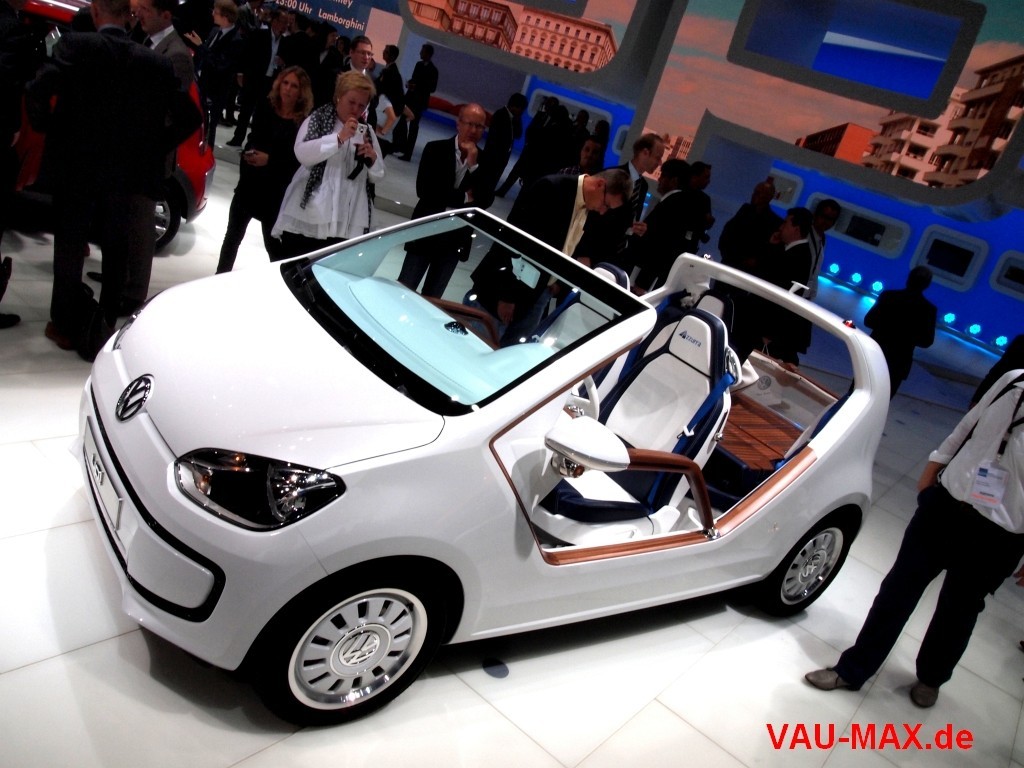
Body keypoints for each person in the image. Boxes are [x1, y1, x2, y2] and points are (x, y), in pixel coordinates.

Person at [805, 368, 1024, 709]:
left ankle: (932, 677)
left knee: (959, 611)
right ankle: (854, 668)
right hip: (948, 506)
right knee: (897, 590)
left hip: (999, 534)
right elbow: (968, 425)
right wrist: (933, 468)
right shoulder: (1013, 380)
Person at [27, 0, 199, 359]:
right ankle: (104, 324)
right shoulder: (154, 63)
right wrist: (152, 148)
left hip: (76, 168)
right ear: (128, 16)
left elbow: (38, 89)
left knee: (70, 246)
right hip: (126, 175)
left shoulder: (77, 45)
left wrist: (50, 127)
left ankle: (63, 323)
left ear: (95, 13)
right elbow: (189, 117)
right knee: (116, 248)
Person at [466, 168, 630, 345]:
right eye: (606, 204)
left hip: (539, 294)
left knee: (510, 355)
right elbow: (515, 241)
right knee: (474, 346)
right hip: (503, 291)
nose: (603, 211)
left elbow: (567, 246)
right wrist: (507, 296)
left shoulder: (588, 207)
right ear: (599, 184)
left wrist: (556, 282)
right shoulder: (551, 188)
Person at [271, 70, 383, 257]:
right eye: (351, 102)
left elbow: (378, 175)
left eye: (361, 105)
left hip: (348, 218)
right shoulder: (318, 120)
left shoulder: (367, 132)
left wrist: (372, 160)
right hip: (312, 212)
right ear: (339, 97)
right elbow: (302, 153)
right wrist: (338, 138)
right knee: (297, 262)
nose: (356, 109)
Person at [217, 66, 312, 272]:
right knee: (232, 238)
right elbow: (254, 137)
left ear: (301, 92)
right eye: (285, 83)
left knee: (274, 250)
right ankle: (219, 278)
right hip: (249, 185)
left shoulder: (303, 123)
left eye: (294, 86)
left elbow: (297, 161)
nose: (287, 89)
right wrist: (249, 153)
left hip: (275, 193)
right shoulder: (266, 108)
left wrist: (270, 160)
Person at [397, 103, 493, 298]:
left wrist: (473, 167)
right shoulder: (435, 149)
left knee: (433, 298)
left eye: (479, 126)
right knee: (404, 288)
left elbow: (485, 200)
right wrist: (465, 197)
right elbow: (425, 191)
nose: (474, 130)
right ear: (459, 123)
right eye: (470, 124)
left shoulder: (486, 162)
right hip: (425, 230)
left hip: (455, 238)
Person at [864, 265, 937, 398]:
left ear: (908, 279)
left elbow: (869, 321)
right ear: (927, 285)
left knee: (858, 390)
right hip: (898, 363)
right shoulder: (929, 310)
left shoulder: (888, 296)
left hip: (875, 352)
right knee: (882, 400)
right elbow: (927, 341)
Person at [630, 159, 693, 293]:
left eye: (663, 175)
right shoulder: (677, 203)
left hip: (645, 275)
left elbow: (661, 247)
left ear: (674, 180)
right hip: (648, 274)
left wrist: (642, 282)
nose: (659, 179)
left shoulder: (672, 205)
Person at [228, 7, 287, 147]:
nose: (284, 25)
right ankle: (238, 137)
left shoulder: (285, 42)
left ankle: (252, 141)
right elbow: (246, 54)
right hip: (255, 78)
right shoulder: (259, 34)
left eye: (286, 23)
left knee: (262, 113)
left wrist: (283, 63)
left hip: (271, 81)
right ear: (274, 21)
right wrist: (241, 73)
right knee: (246, 109)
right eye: (282, 21)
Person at [191, 0, 242, 146]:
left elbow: (220, 64)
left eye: (216, 12)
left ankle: (207, 152)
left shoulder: (236, 40)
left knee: (209, 126)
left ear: (225, 17)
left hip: (217, 90)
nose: (213, 14)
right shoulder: (215, 30)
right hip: (203, 83)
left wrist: (201, 46)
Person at [717, 178, 782, 273]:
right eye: (754, 192)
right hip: (730, 262)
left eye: (758, 193)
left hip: (750, 271)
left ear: (768, 197)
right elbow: (729, 230)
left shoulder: (774, 222)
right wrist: (726, 252)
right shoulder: (745, 210)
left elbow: (768, 249)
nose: (754, 195)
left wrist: (754, 261)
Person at [135, 0, 194, 92]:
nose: (138, 14)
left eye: (145, 9)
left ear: (166, 16)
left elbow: (173, 98)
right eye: (139, 8)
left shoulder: (178, 56)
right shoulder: (148, 39)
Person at [394, 43, 437, 160]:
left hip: (419, 102)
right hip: (410, 98)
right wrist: (410, 84)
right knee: (402, 122)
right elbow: (414, 79)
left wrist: (417, 86)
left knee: (413, 127)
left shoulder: (433, 70)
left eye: (422, 52)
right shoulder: (418, 65)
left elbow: (432, 88)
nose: (420, 53)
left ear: (428, 54)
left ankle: (408, 153)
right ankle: (400, 146)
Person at [482, 92, 526, 192]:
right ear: (515, 106)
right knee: (487, 180)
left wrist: (518, 120)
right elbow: (495, 137)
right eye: (521, 109)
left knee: (493, 181)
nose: (521, 112)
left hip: (503, 157)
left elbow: (518, 134)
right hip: (493, 155)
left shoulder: (514, 119)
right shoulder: (500, 115)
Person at [676, 160, 715, 255]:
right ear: (695, 176)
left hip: (688, 244)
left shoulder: (704, 199)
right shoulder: (703, 199)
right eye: (706, 177)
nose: (708, 181)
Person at [806, 198, 840, 301]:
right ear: (815, 214)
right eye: (823, 216)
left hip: (806, 291)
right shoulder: (804, 233)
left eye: (831, 219)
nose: (826, 222)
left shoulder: (822, 238)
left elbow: (815, 269)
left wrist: (812, 292)